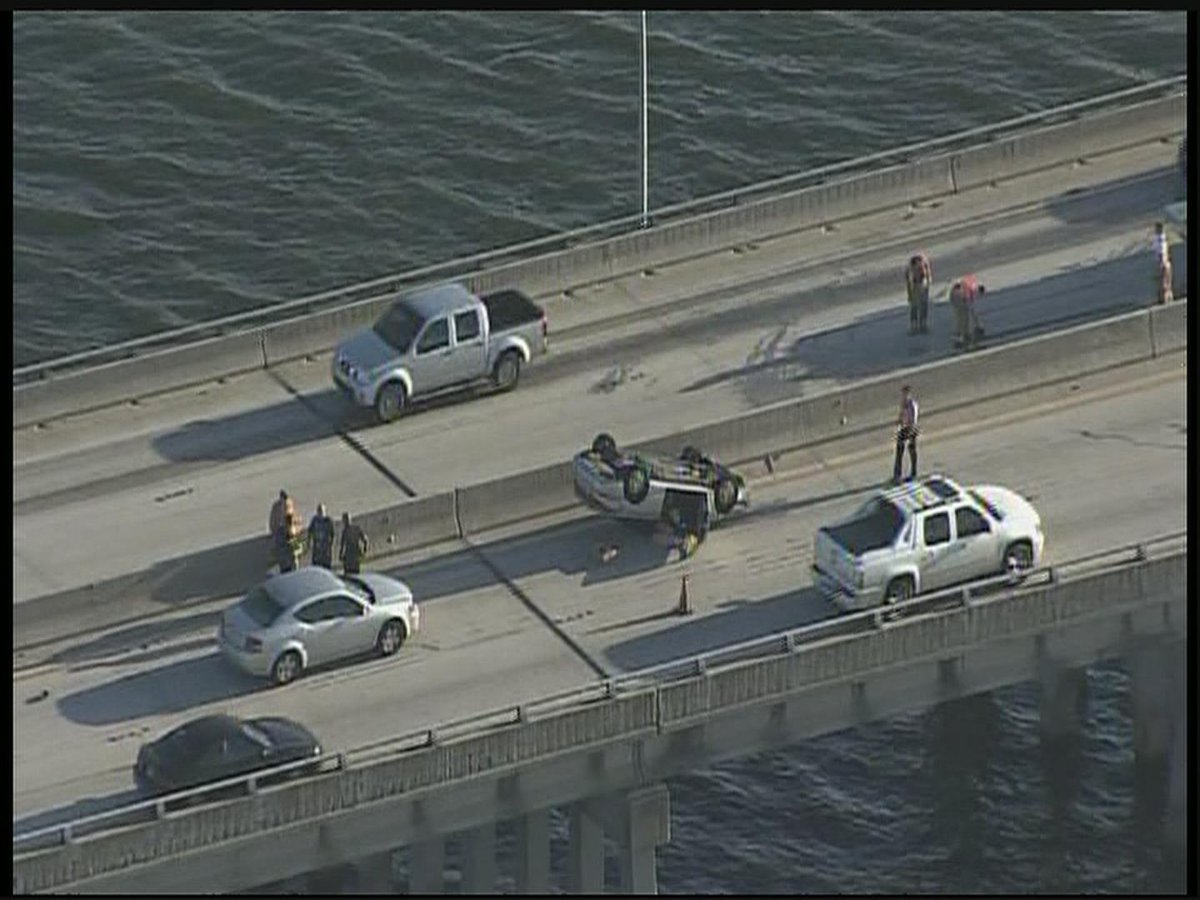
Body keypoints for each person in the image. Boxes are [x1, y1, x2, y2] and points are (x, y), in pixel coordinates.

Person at [892, 385, 919, 485]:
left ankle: (913, 473)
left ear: (909, 394)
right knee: (899, 450)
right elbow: (901, 415)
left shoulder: (912, 404)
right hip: (904, 428)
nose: (903, 396)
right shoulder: (903, 404)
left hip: (911, 428)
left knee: (912, 451)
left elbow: (914, 419)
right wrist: (898, 422)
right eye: (902, 394)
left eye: (905, 394)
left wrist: (911, 431)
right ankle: (897, 474)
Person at [905, 252, 933, 335]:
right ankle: (914, 325)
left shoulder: (924, 263)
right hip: (914, 284)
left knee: (924, 303)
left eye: (919, 268)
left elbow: (928, 275)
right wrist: (910, 294)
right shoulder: (909, 267)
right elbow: (908, 282)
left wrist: (927, 283)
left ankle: (923, 323)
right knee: (914, 305)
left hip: (923, 282)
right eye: (917, 268)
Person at [308, 503, 335, 569]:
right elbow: (310, 531)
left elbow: (332, 533)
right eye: (319, 510)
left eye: (322, 511)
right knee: (317, 566)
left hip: (326, 549)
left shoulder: (328, 521)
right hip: (317, 548)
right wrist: (308, 542)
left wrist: (331, 543)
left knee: (326, 566)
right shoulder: (314, 520)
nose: (320, 512)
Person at [281, 496, 304, 573]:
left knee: (293, 559)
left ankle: (294, 569)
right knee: (293, 559)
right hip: (292, 545)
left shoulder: (291, 529)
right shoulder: (292, 527)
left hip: (291, 545)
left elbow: (292, 537)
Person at [1153, 222, 1173, 304]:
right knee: (1166, 285)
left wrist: (1162, 264)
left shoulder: (1161, 240)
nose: (1155, 229)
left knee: (1164, 285)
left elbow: (1162, 252)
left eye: (1156, 228)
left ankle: (1166, 302)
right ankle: (1168, 300)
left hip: (1163, 263)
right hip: (1164, 263)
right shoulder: (1159, 238)